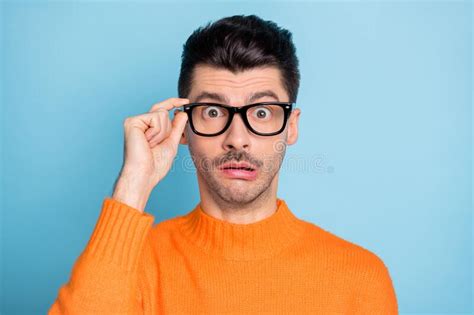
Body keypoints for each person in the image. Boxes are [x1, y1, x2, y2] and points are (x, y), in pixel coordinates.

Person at [48, 14, 398, 314]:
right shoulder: (128, 265)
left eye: (261, 112)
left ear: (291, 127)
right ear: (182, 127)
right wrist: (132, 186)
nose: (237, 138)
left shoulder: (360, 277)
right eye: (213, 112)